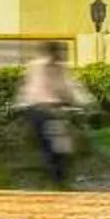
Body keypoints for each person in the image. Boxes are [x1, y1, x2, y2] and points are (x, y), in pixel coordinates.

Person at [16, 43, 91, 189]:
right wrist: (82, 103)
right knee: (58, 147)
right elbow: (65, 89)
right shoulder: (54, 68)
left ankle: (53, 177)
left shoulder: (37, 66)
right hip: (47, 111)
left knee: (51, 146)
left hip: (38, 110)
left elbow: (27, 89)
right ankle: (57, 179)